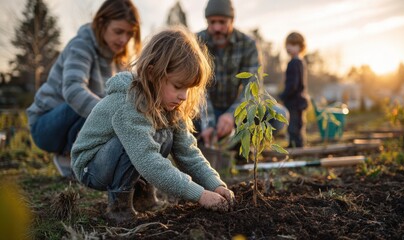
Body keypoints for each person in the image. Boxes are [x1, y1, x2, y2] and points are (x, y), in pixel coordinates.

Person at [71, 26, 235, 225]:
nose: (184, 96)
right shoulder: (128, 102)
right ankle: (119, 207)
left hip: (121, 157)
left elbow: (189, 153)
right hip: (92, 167)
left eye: (188, 89)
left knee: (164, 135)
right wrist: (200, 195)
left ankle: (143, 196)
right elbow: (147, 159)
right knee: (135, 142)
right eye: (177, 86)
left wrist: (215, 184)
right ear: (152, 74)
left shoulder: (171, 106)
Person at [26, 0, 142, 178]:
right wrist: (113, 114)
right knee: (88, 100)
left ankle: (78, 155)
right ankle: (69, 154)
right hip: (45, 126)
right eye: (118, 31)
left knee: (116, 103)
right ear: (101, 23)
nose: (124, 39)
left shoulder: (118, 58)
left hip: (72, 122)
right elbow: (73, 90)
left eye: (129, 34)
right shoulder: (81, 45)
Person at [196, 0, 287, 148]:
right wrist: (209, 122)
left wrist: (232, 115)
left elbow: (252, 88)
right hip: (203, 112)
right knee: (177, 119)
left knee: (279, 115)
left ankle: (237, 141)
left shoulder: (248, 45)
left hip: (238, 112)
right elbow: (197, 89)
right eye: (212, 22)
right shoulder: (196, 42)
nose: (217, 27)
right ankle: (209, 139)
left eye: (222, 22)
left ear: (232, 20)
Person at [279, 32, 309, 148]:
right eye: (287, 44)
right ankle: (298, 144)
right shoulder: (301, 62)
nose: (288, 47)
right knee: (298, 124)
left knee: (293, 125)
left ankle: (296, 146)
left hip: (294, 101)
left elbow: (293, 85)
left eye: (292, 45)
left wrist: (283, 96)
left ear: (300, 47)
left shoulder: (294, 63)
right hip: (300, 100)